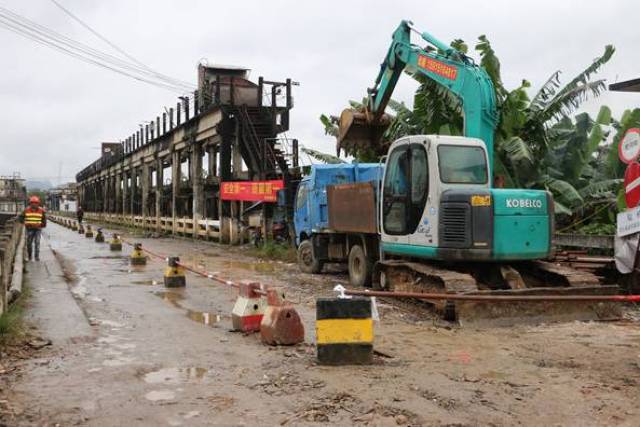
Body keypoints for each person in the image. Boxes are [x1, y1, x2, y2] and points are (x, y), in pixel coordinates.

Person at [19, 195, 47, 261]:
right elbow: (20, 217)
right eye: (32, 203)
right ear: (30, 203)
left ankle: (36, 257)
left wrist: (41, 225)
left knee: (37, 243)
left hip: (38, 229)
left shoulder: (41, 211)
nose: (34, 204)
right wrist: (25, 223)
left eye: (36, 203)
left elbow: (44, 220)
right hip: (29, 229)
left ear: (38, 203)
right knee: (29, 243)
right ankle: (30, 256)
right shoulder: (26, 210)